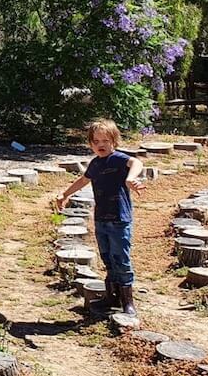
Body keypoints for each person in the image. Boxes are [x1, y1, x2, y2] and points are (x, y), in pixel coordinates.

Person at [55, 118, 145, 316]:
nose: (100, 145)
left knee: (121, 258)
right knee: (107, 257)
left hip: (119, 219)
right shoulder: (95, 164)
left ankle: (127, 301)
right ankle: (111, 297)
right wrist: (65, 194)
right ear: (90, 144)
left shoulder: (119, 159)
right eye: (96, 142)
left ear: (114, 141)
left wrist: (131, 179)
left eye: (105, 141)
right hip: (101, 219)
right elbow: (83, 180)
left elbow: (136, 162)